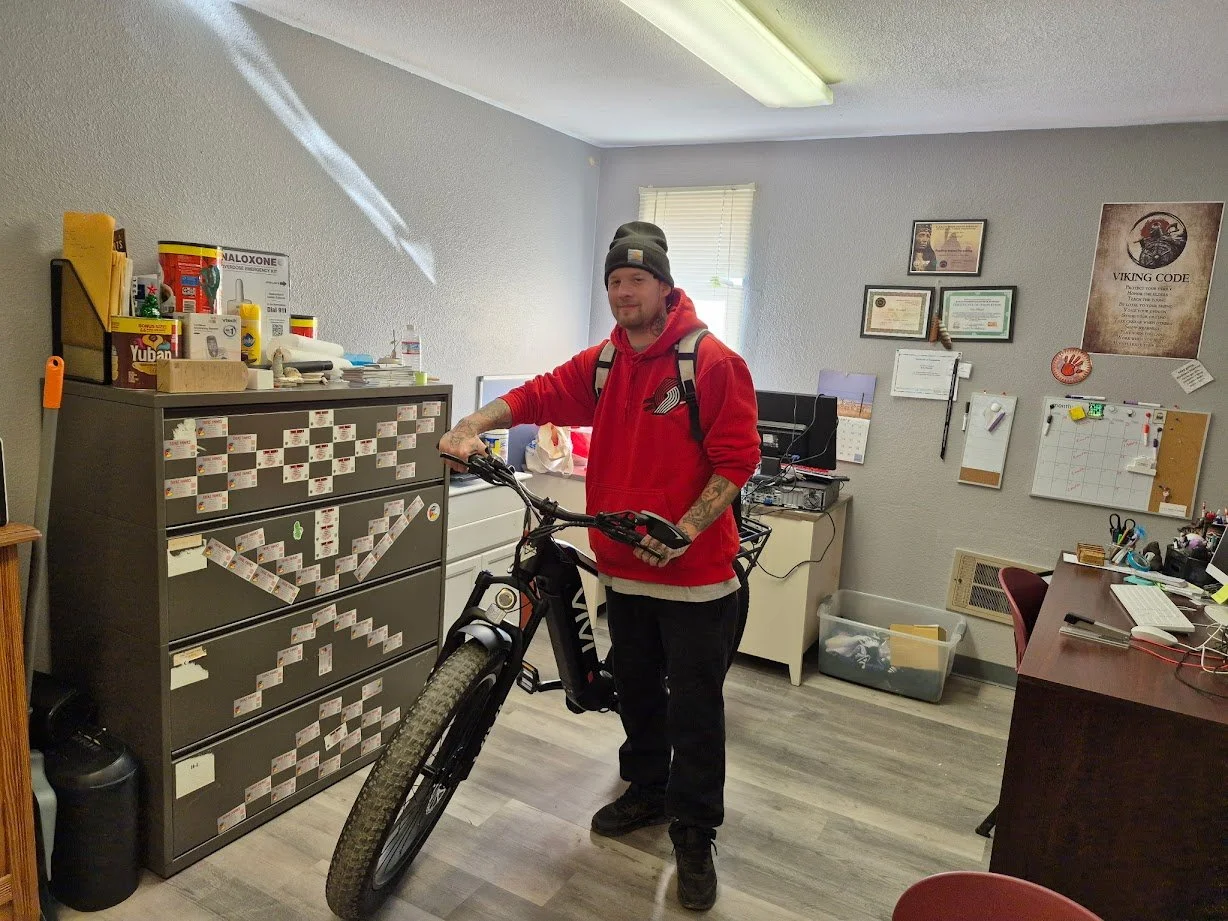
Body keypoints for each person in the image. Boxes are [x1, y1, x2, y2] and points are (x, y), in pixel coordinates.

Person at [438, 221, 760, 911]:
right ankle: (645, 787)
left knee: (696, 712)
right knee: (639, 692)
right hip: (626, 571)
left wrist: (687, 529)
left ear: (664, 286)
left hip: (698, 579)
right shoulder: (605, 363)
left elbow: (738, 460)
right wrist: (474, 424)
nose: (622, 292)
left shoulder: (710, 362)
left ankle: (695, 831)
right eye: (614, 280)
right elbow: (538, 394)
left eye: (635, 279)